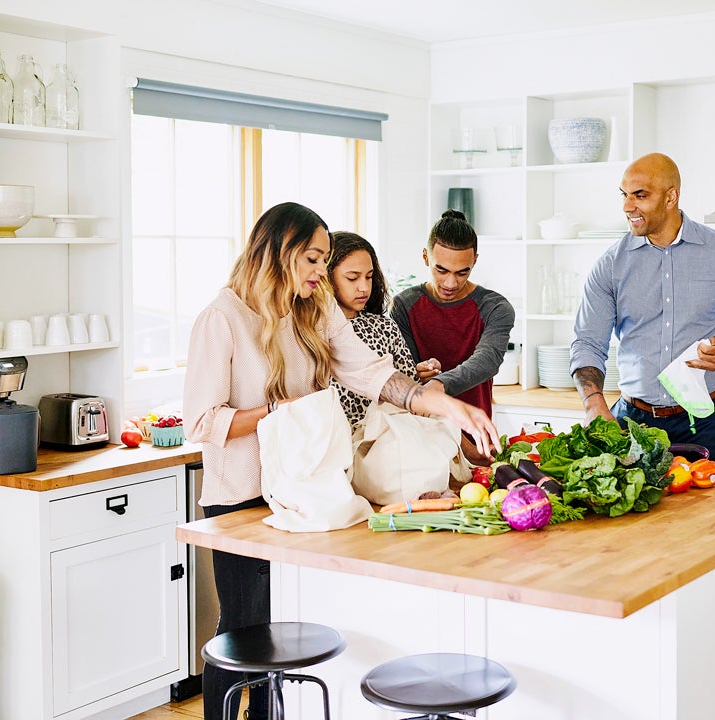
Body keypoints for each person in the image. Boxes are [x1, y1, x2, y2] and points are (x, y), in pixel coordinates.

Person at [184, 202, 499, 720]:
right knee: (243, 626)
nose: (318, 273)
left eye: (323, 260)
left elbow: (372, 373)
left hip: (307, 490)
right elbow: (202, 422)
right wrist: (278, 411)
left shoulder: (313, 307)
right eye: (312, 259)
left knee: (283, 625)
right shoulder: (222, 318)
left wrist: (438, 401)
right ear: (277, 252)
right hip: (241, 498)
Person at [570, 153, 715, 460]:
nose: (628, 206)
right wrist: (594, 403)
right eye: (625, 195)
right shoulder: (611, 265)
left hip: (704, 423)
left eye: (640, 195)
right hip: (632, 423)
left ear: (671, 197)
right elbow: (588, 342)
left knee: (711, 510)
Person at [390, 210, 516, 418]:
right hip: (419, 430)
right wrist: (420, 370)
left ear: (474, 261)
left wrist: (439, 382)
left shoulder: (494, 307)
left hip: (474, 431)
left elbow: (487, 360)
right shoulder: (404, 305)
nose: (451, 283)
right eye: (441, 270)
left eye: (462, 272)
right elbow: (403, 370)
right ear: (425, 257)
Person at [326, 230, 419, 427]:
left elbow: (411, 386)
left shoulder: (384, 327)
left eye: (369, 277)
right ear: (326, 278)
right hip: (331, 441)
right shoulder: (312, 332)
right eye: (352, 278)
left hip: (387, 438)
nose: (364, 287)